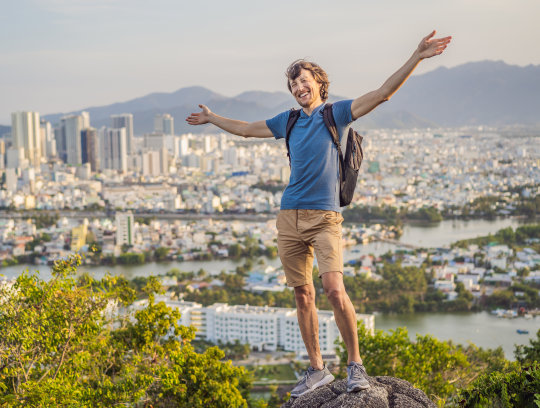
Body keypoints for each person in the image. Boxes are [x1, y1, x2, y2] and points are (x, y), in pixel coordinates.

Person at [186, 31, 451, 396]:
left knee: (333, 288)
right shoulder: (288, 121)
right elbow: (247, 130)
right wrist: (213, 117)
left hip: (325, 217)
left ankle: (355, 364)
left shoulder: (336, 113)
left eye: (304, 80)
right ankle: (316, 369)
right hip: (289, 217)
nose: (298, 87)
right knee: (302, 295)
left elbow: (382, 94)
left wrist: (417, 56)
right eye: (294, 83)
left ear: (319, 83)